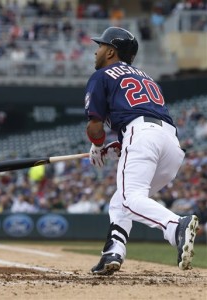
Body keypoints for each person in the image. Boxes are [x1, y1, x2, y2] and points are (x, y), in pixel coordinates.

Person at [84, 26, 199, 275]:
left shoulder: (102, 75)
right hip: (170, 143)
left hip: (142, 135)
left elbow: (95, 127)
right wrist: (119, 144)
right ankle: (113, 252)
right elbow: (142, 116)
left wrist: (97, 144)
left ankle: (176, 226)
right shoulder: (144, 76)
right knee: (120, 202)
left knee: (129, 198)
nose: (97, 51)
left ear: (112, 51)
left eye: (100, 46)